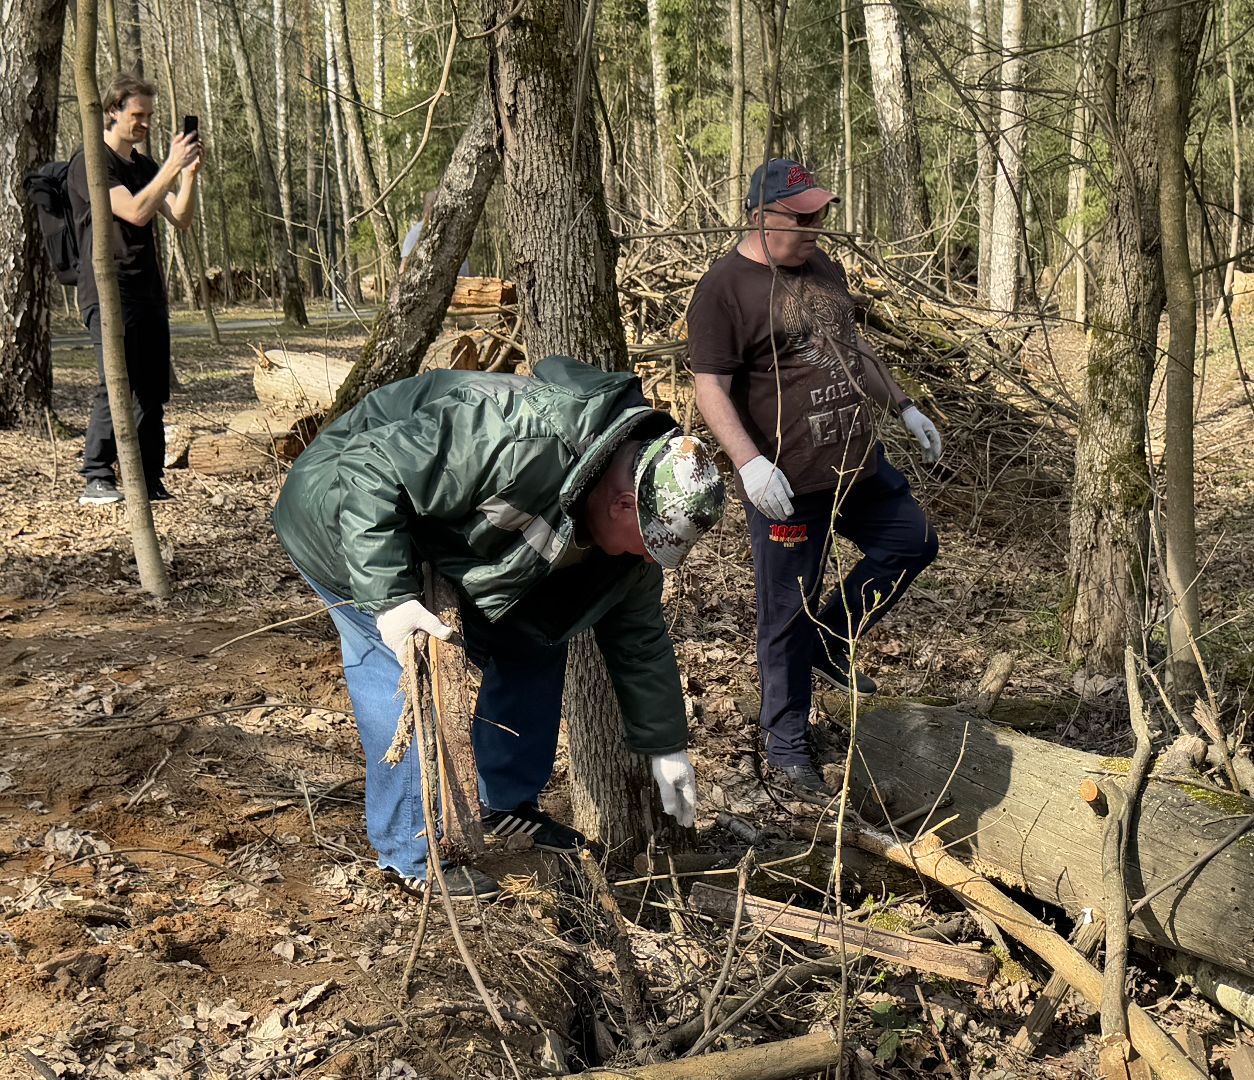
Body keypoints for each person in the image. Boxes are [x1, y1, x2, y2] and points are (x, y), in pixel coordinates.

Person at [272, 355, 725, 898]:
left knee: (538, 637)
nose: (650, 559)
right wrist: (389, 599)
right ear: (624, 504)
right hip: (343, 513)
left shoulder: (629, 531)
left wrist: (665, 745)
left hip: (444, 543)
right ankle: (412, 852)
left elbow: (640, 639)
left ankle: (505, 805)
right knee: (402, 669)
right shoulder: (517, 437)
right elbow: (370, 469)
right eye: (650, 545)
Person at [685, 158, 943, 797]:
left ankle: (831, 642)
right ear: (758, 217)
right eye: (800, 220)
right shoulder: (724, 290)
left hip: (855, 464)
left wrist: (903, 406)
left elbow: (854, 349)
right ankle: (786, 747)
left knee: (911, 541)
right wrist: (749, 462)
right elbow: (710, 387)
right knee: (785, 612)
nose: (813, 230)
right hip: (786, 481)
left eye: (819, 217)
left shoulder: (823, 268)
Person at [70, 73, 203, 505]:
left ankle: (148, 479)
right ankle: (96, 475)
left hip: (148, 291)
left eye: (149, 115)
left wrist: (188, 175)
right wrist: (170, 167)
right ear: (112, 111)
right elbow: (135, 211)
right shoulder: (92, 162)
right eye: (137, 114)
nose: (144, 123)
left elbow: (180, 218)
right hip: (109, 291)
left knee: (151, 391)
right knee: (115, 382)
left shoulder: (144, 167)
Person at [399, 190, 471, 278]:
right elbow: (403, 268)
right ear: (428, 207)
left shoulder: (454, 234)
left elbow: (465, 271)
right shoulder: (414, 234)